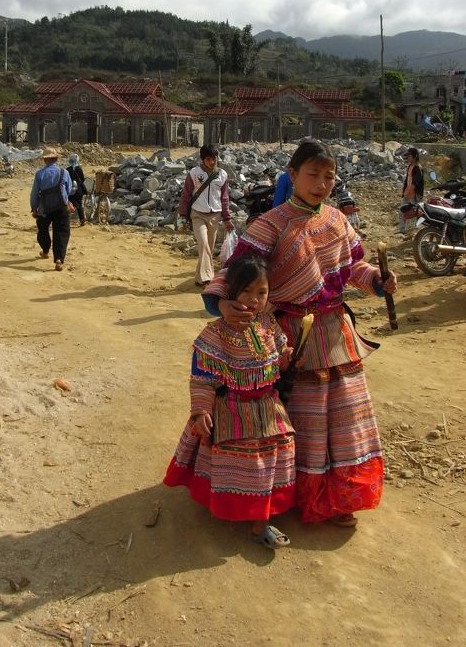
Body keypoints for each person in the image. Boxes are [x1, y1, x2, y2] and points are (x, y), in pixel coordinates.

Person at [202, 139, 397, 528]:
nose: (322, 184)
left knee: (344, 417)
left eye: (329, 177)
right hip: (288, 337)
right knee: (294, 418)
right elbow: (234, 273)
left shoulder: (337, 220)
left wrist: (377, 279)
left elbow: (352, 269)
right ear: (292, 175)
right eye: (313, 174)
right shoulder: (270, 224)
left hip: (336, 334)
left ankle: (338, 497)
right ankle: (280, 493)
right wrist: (222, 303)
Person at [163, 254, 296, 549]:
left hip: (270, 408)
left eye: (261, 293)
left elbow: (281, 351)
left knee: (273, 460)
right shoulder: (214, 335)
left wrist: (286, 358)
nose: (253, 300)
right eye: (246, 292)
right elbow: (202, 378)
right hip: (232, 410)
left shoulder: (268, 324)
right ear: (231, 293)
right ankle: (254, 518)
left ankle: (262, 514)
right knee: (248, 463)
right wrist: (200, 412)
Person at [178, 144, 234, 287]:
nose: (212, 162)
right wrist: (183, 216)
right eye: (208, 159)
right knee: (203, 245)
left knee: (208, 247)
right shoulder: (194, 173)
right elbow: (186, 195)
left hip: (215, 216)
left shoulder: (222, 175)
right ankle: (208, 278)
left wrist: (227, 218)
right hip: (197, 214)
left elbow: (225, 198)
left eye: (214, 159)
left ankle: (199, 278)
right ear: (202, 159)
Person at [30, 148, 74, 271]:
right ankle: (59, 259)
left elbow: (34, 193)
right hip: (61, 207)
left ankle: (45, 250)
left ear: (45, 160)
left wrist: (34, 208)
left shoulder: (39, 174)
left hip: (45, 209)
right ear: (56, 159)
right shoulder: (64, 172)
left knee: (42, 230)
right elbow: (69, 189)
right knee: (61, 232)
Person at [398, 147, 424, 235]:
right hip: (408, 194)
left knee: (413, 214)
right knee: (402, 211)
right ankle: (403, 230)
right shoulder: (410, 166)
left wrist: (406, 193)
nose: (407, 158)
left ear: (415, 156)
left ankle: (413, 232)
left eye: (409, 156)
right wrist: (405, 192)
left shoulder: (417, 168)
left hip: (413, 196)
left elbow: (414, 184)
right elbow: (407, 181)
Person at [66, 154, 87, 226]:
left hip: (70, 190)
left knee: (68, 204)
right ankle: (82, 220)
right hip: (78, 190)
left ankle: (67, 221)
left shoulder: (67, 169)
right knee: (79, 205)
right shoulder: (79, 168)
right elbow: (83, 179)